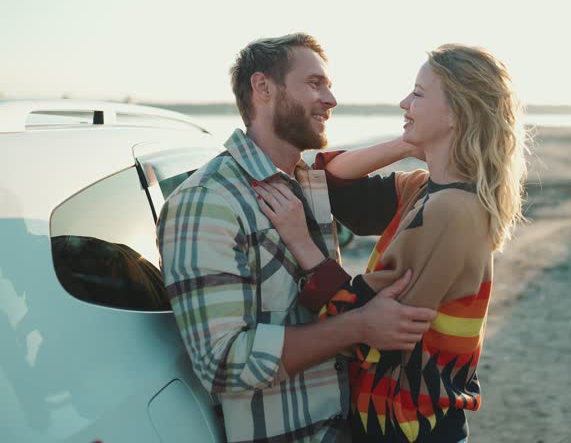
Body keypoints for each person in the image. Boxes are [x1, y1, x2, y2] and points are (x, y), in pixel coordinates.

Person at [156, 33, 437, 443]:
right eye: (314, 83)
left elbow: (335, 169)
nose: (331, 99)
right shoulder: (207, 202)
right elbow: (224, 363)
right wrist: (359, 326)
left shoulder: (307, 181)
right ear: (263, 87)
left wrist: (410, 143)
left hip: (343, 425)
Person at [254, 44, 528, 442]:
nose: (404, 102)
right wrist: (408, 142)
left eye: (417, 94)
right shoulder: (426, 190)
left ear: (458, 112)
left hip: (411, 429)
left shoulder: (450, 210)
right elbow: (331, 183)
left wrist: (300, 242)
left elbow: (364, 325)